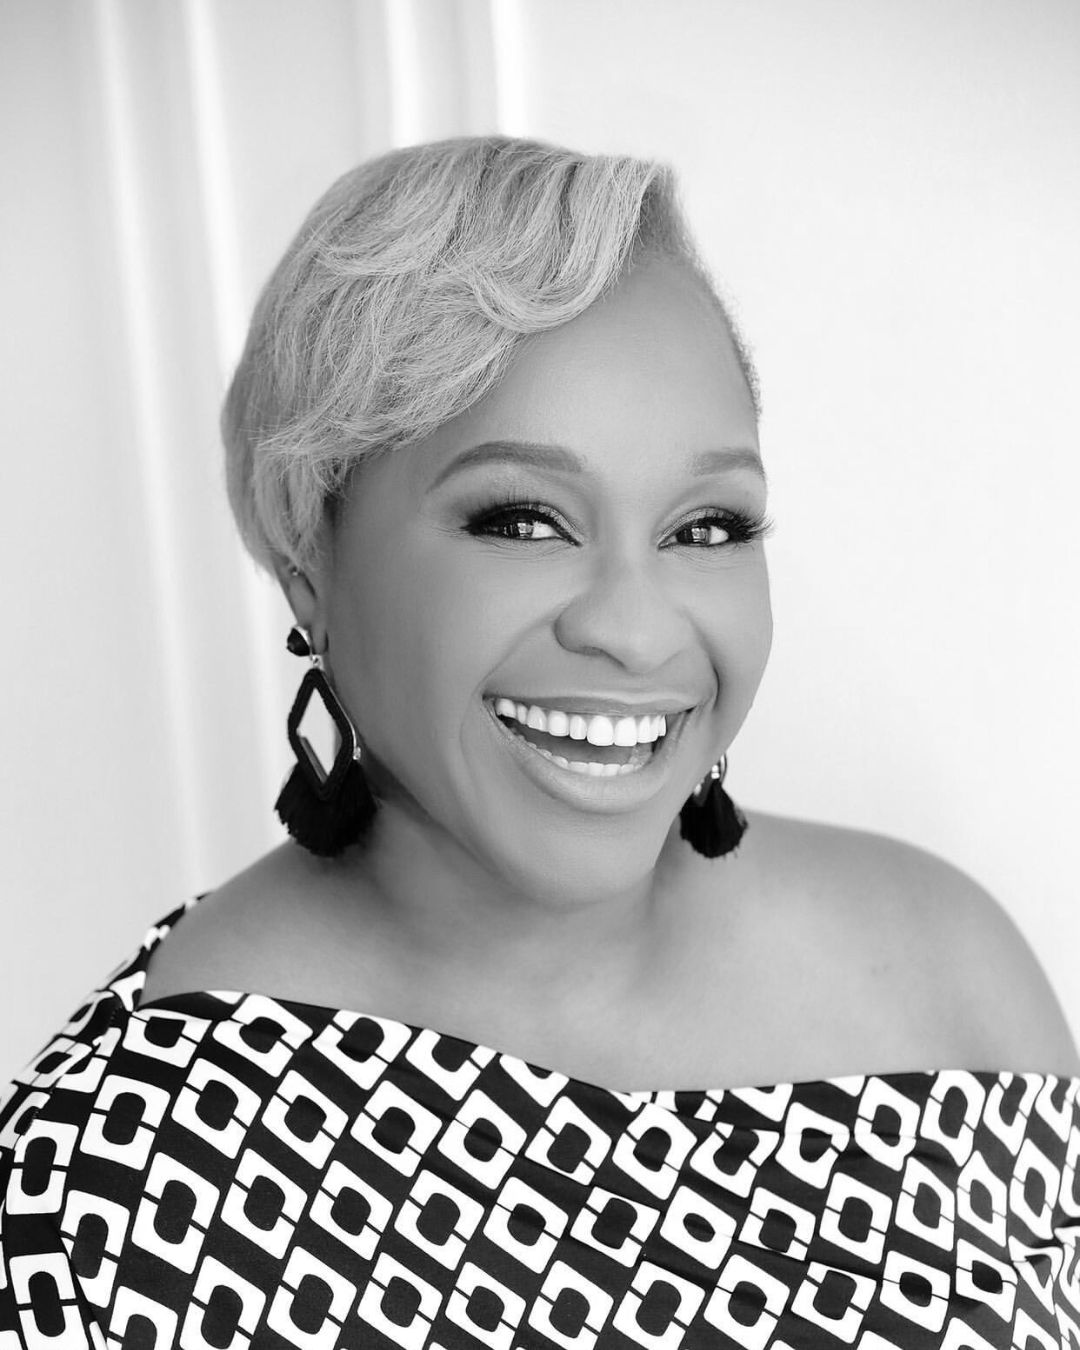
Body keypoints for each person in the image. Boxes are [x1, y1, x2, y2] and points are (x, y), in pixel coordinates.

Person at [1, 135, 1076, 1348]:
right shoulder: (112, 1194)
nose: (635, 629)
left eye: (707, 527)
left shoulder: (947, 966)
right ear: (310, 558)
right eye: (522, 520)